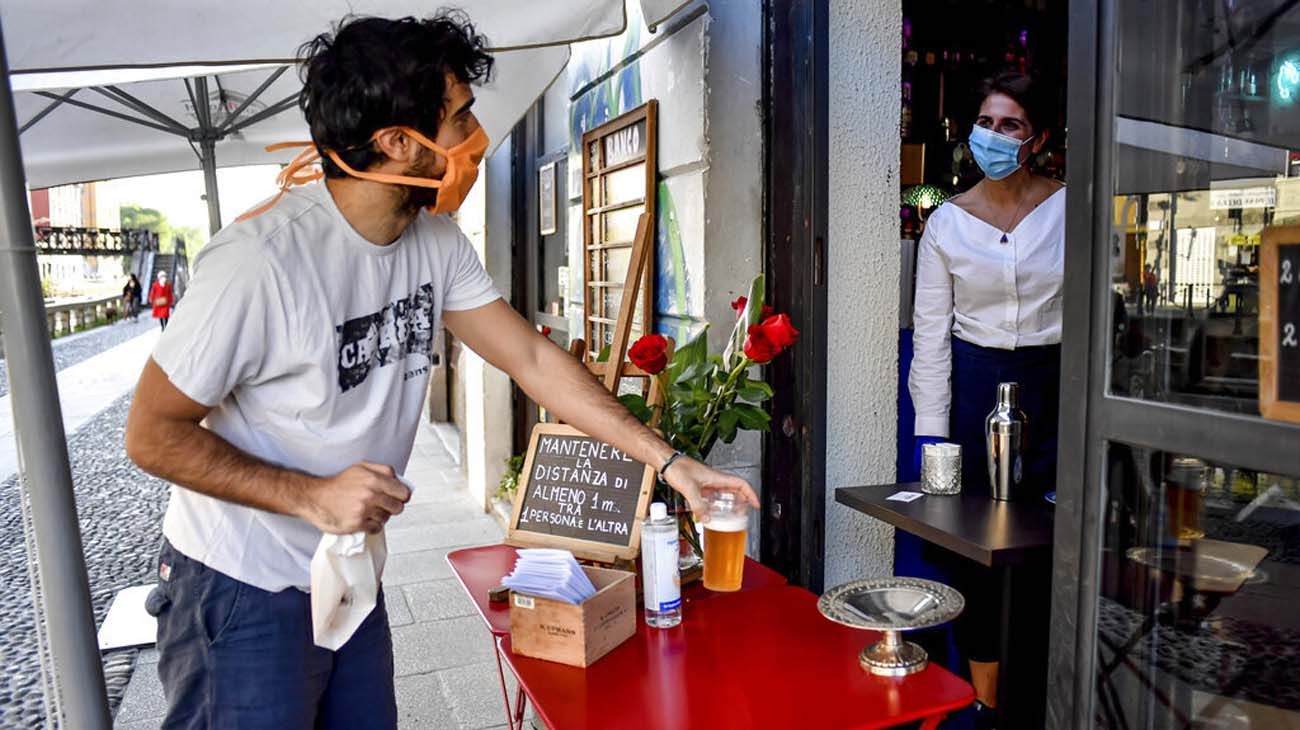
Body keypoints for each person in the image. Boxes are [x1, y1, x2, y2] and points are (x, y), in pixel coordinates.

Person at [123, 14, 756, 729]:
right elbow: (151, 434)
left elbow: (532, 359)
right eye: (460, 117)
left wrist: (671, 465)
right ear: (398, 143)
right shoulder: (259, 261)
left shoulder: (435, 242)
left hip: (349, 575)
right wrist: (310, 496)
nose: (474, 137)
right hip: (240, 587)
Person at [908, 70, 1063, 722]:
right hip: (973, 392)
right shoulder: (947, 222)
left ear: (1038, 138)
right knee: (974, 554)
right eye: (987, 123)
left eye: (1011, 125)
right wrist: (932, 434)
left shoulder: (1069, 207)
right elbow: (931, 337)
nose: (994, 137)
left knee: (1040, 551)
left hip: (1052, 392)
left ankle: (1036, 695)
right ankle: (986, 702)